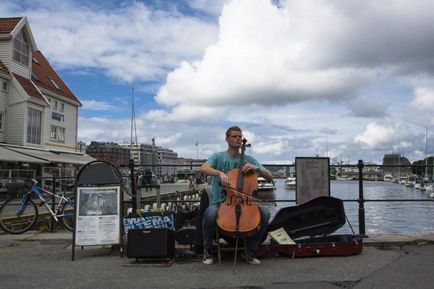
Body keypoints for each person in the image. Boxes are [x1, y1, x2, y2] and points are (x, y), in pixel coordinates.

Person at [200, 126, 273, 265]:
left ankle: (250, 250)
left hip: (245, 202)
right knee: (209, 214)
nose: (238, 139)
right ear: (227, 139)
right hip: (221, 201)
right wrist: (219, 173)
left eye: (240, 136)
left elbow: (269, 176)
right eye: (234, 136)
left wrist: (256, 168)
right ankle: (207, 249)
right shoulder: (218, 156)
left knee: (265, 214)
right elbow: (203, 168)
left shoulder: (248, 159)